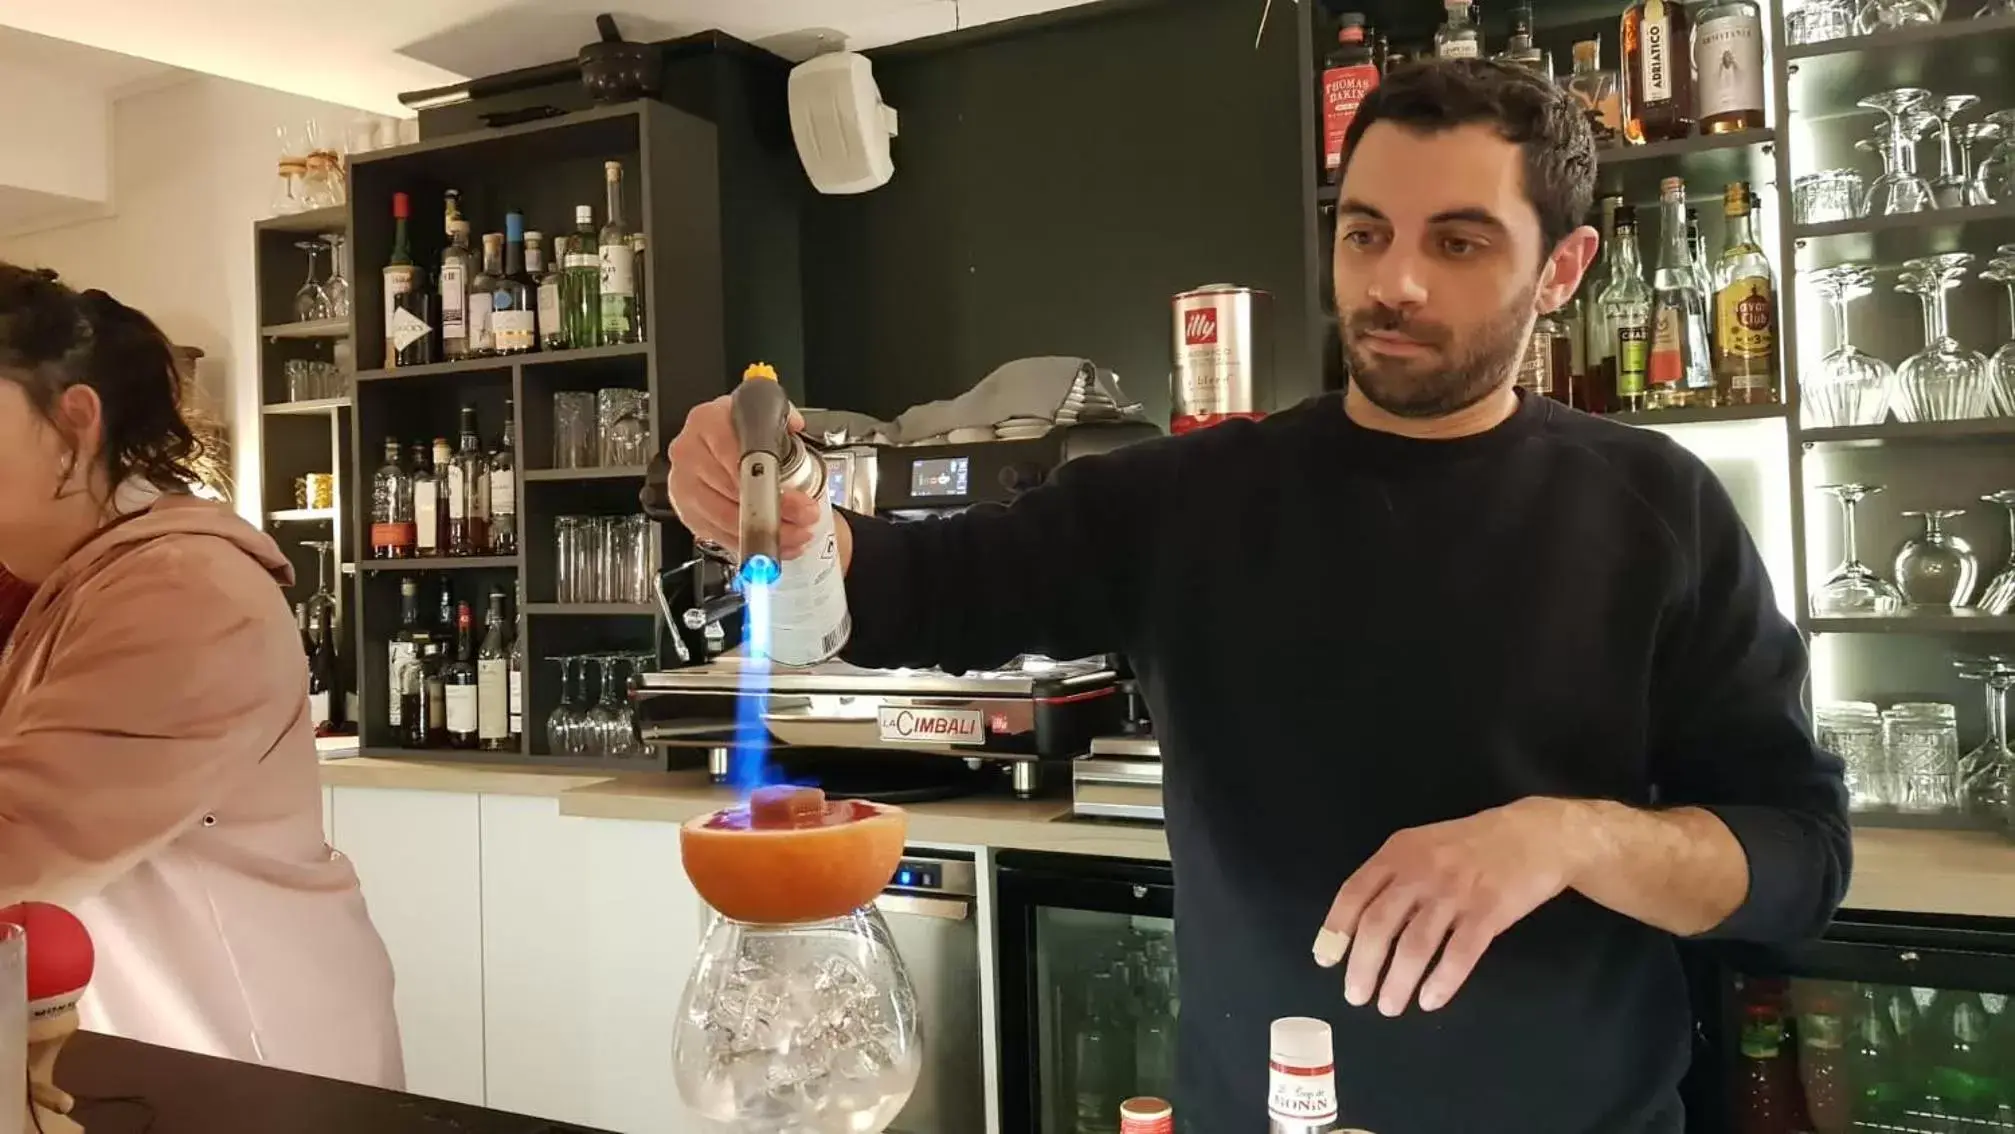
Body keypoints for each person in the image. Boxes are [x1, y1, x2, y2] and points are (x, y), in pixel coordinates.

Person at [657, 60, 1849, 1134]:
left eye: (1459, 242)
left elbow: (1795, 859)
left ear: (1561, 269)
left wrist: (1568, 837)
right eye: (1367, 231)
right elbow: (921, 589)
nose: (1393, 284)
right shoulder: (1193, 499)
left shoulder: (1658, 509)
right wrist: (799, 512)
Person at [0, 264, 403, 1088]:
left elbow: (22, 831)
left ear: (75, 424)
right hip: (146, 1050)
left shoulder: (183, 591)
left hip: (242, 1057)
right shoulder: (73, 578)